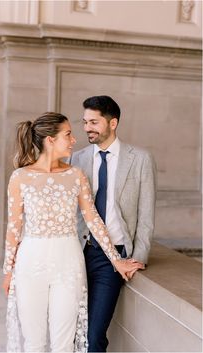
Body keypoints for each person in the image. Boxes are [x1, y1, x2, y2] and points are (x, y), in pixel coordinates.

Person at [2, 112, 144, 353]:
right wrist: (8, 273)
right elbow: (13, 230)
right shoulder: (20, 177)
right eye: (67, 134)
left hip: (68, 264)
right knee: (34, 342)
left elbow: (93, 220)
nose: (74, 139)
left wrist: (116, 260)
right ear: (50, 140)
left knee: (64, 343)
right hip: (30, 264)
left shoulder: (75, 175)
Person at [70, 96, 156, 352]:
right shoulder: (77, 159)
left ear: (113, 122)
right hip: (77, 254)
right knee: (73, 331)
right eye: (85, 122)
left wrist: (138, 257)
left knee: (95, 334)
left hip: (115, 257)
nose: (87, 128)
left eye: (94, 122)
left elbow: (146, 215)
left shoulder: (140, 159)